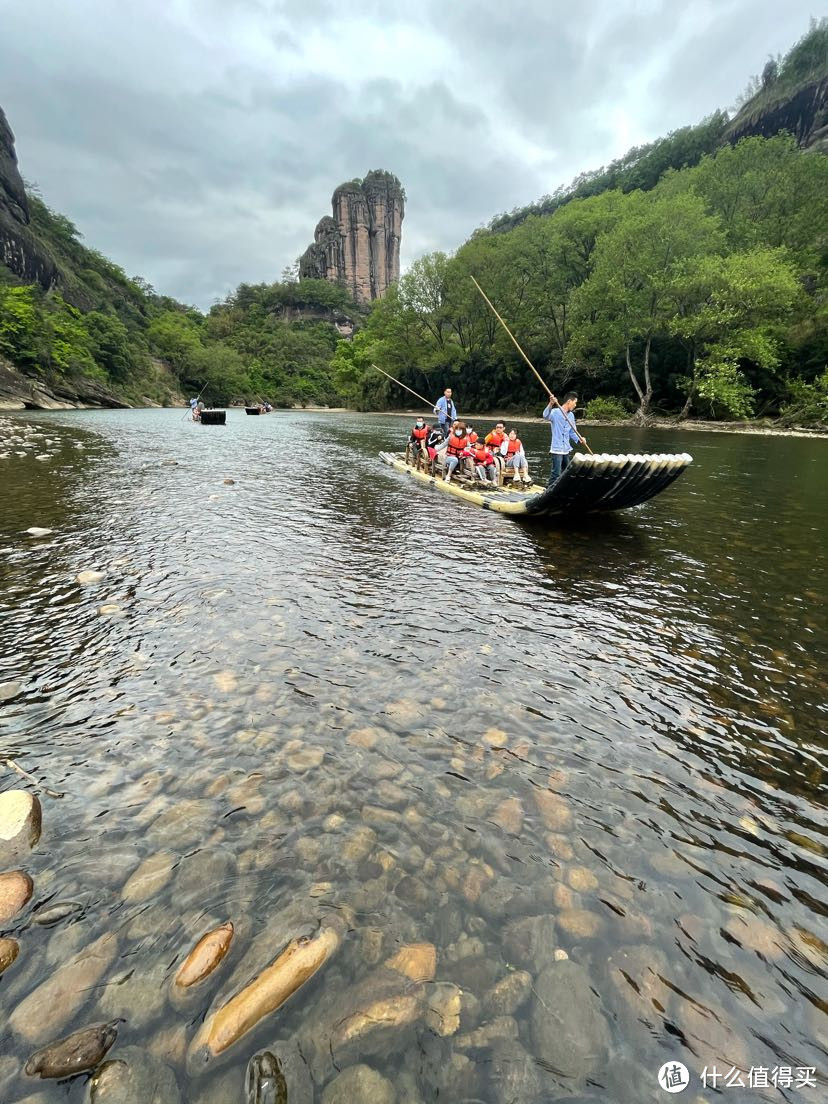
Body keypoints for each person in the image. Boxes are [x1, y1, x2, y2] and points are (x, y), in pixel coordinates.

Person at [543, 391, 586, 486]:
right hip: (557, 449)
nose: (575, 405)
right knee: (556, 474)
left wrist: (580, 439)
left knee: (566, 473)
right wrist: (551, 403)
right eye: (575, 403)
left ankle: (560, 490)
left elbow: (572, 432)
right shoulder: (555, 412)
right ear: (569, 401)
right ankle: (548, 491)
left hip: (566, 449)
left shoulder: (571, 416)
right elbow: (545, 416)